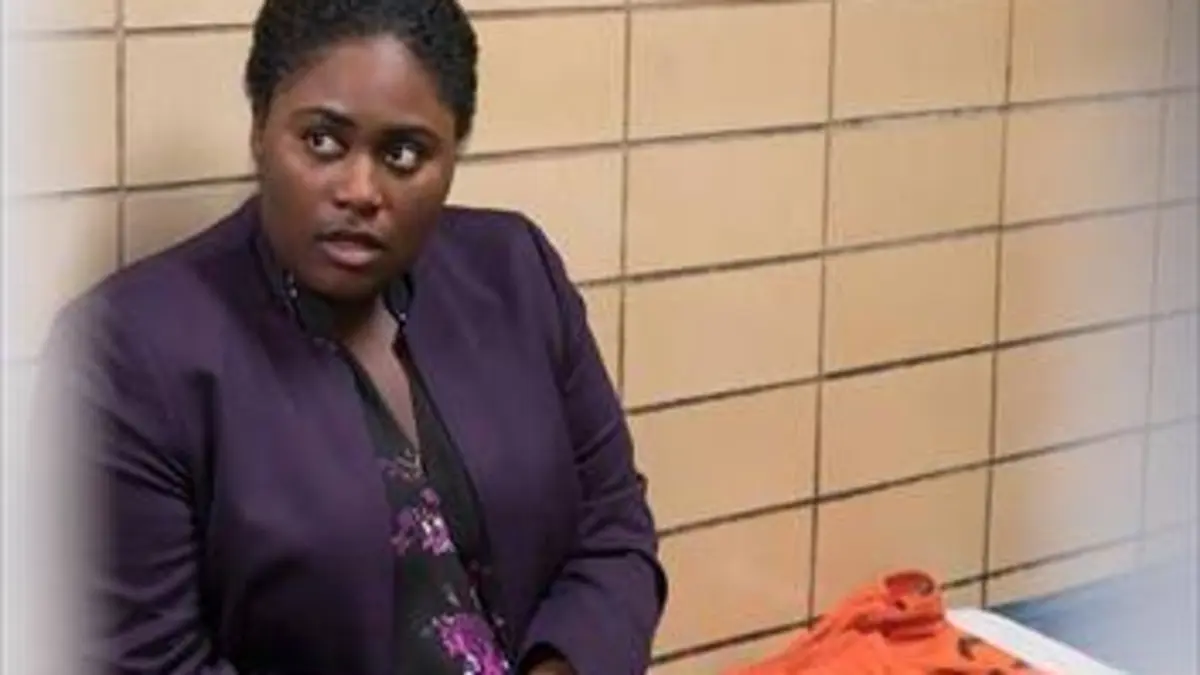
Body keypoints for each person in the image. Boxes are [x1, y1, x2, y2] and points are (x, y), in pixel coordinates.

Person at [36, 0, 667, 673]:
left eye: (403, 153)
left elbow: (615, 531)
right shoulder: (125, 351)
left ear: (453, 154)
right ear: (260, 127)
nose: (361, 190)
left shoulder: (514, 271)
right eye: (322, 141)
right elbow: (143, 661)